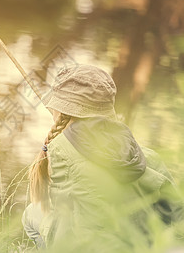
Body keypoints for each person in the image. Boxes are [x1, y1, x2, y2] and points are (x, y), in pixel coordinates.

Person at [22, 64, 183, 252]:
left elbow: (63, 225)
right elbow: (177, 213)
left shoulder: (60, 151)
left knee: (31, 215)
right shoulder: (147, 156)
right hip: (139, 244)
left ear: (60, 110)